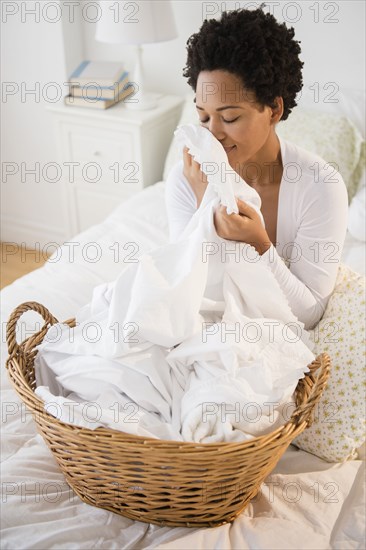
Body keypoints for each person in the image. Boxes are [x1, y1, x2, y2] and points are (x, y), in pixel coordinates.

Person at [165, 7, 348, 330]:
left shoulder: (320, 187)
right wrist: (203, 205)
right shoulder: (186, 179)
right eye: (203, 116)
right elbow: (186, 294)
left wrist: (259, 246)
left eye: (230, 117)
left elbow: (309, 314)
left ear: (274, 108)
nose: (212, 134)